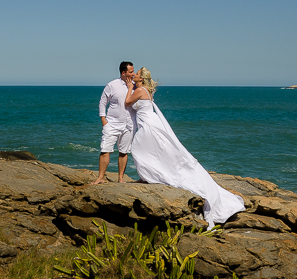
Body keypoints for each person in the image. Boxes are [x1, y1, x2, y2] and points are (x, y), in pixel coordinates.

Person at [124, 67, 246, 228]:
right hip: (148, 121)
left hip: (148, 123)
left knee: (140, 147)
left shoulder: (139, 90)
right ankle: (147, 175)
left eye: (137, 74)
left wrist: (129, 88)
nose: (134, 75)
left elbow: (127, 102)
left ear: (141, 78)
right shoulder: (145, 89)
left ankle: (148, 175)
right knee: (155, 149)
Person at [92, 61, 135, 185]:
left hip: (129, 124)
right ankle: (100, 177)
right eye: (131, 72)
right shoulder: (112, 85)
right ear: (123, 73)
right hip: (112, 123)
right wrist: (103, 120)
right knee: (105, 149)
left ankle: (121, 178)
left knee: (124, 151)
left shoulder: (135, 86)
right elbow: (102, 102)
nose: (133, 74)